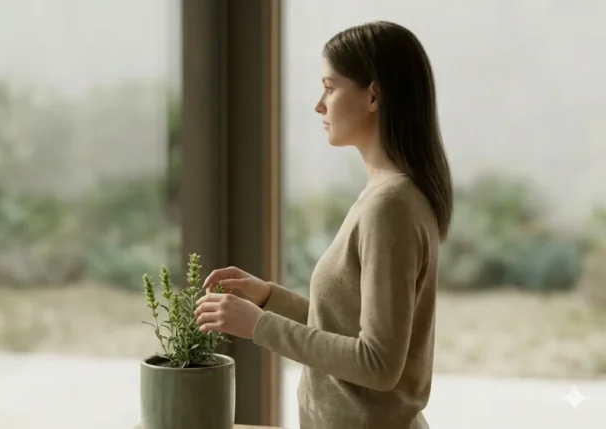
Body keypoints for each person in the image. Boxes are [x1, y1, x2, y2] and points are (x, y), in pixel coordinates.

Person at [193, 20, 453, 429]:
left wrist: (259, 325)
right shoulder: (386, 195)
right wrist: (268, 298)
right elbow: (348, 330)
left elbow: (378, 363)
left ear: (373, 94)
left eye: (330, 87)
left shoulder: (391, 206)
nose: (319, 104)